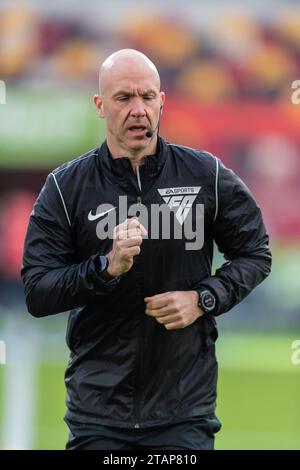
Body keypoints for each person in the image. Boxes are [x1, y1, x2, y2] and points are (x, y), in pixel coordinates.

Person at [21, 49, 272, 451]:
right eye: (124, 98)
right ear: (100, 106)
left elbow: (255, 253)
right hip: (97, 415)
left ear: (162, 101)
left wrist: (203, 298)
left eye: (147, 97)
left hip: (184, 412)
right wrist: (106, 267)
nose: (138, 110)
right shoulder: (65, 189)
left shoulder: (205, 174)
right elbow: (37, 291)